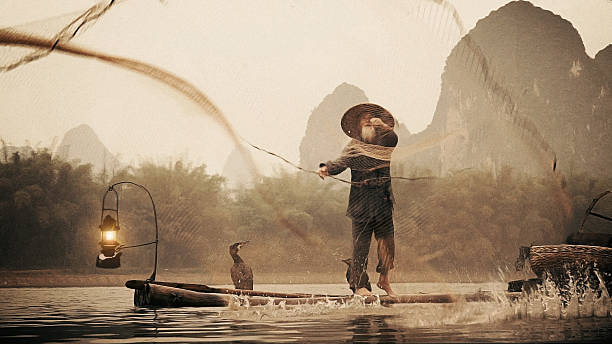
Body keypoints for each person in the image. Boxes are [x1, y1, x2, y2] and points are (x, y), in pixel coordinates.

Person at [318, 103, 398, 297]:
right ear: (358, 126)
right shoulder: (354, 147)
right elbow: (339, 162)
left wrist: (381, 125)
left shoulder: (384, 143)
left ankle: (384, 279)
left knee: (387, 244)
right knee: (360, 246)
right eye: (364, 119)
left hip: (383, 202)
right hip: (361, 204)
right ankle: (359, 285)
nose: (368, 121)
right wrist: (325, 167)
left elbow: (393, 138)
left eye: (371, 118)